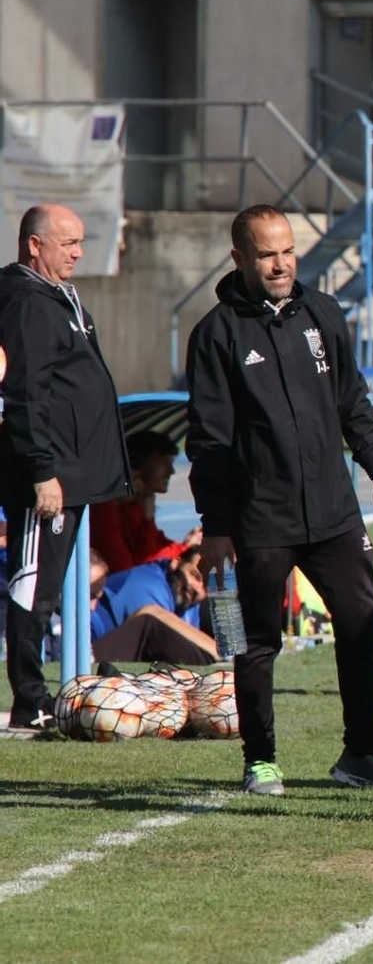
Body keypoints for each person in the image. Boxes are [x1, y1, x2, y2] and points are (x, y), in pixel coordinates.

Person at [186, 204, 373, 797]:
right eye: (267, 254)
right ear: (240, 258)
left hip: (335, 510)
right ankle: (260, 758)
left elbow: (352, 402)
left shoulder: (322, 312)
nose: (282, 263)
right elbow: (209, 442)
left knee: (362, 621)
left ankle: (364, 752)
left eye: (288, 251)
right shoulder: (216, 334)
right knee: (256, 640)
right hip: (261, 516)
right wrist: (215, 525)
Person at [0, 204, 131, 733]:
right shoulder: (27, 303)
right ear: (35, 245)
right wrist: (42, 470)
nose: (77, 252)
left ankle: (47, 689)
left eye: (80, 242)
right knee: (35, 583)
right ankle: (29, 697)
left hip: (73, 470)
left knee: (50, 585)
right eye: (67, 243)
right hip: (47, 475)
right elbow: (26, 392)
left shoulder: (60, 295)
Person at [90, 430, 203, 573]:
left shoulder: (136, 505)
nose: (171, 471)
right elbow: (138, 567)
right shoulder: (104, 510)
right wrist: (147, 520)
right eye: (164, 463)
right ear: (136, 465)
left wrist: (188, 546)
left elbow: (157, 546)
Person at [91, 548, 218, 667]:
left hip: (116, 661)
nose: (197, 587)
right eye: (195, 575)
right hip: (92, 653)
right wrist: (219, 653)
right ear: (176, 563)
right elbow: (154, 622)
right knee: (151, 619)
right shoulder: (148, 582)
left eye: (206, 585)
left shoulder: (187, 602)